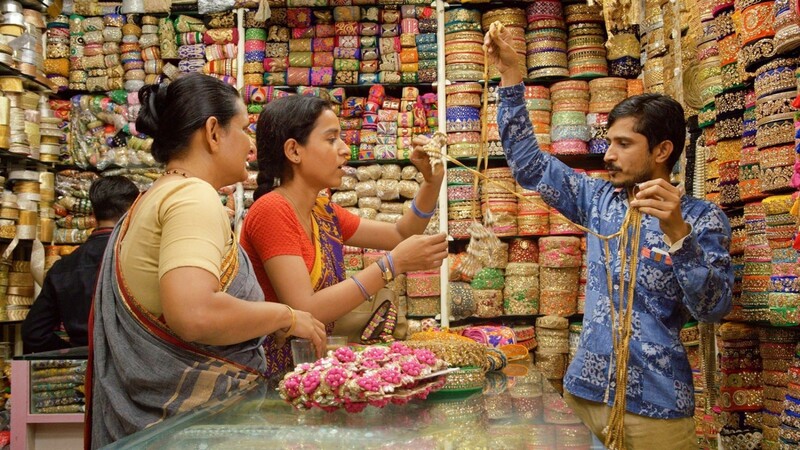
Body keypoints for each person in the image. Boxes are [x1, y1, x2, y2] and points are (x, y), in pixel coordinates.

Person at [485, 27, 732, 449]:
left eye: (622, 143)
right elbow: (529, 166)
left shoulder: (701, 219)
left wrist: (678, 235)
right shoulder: (599, 200)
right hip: (585, 396)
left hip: (657, 407)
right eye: (608, 142)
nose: (608, 155)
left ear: (661, 151)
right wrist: (510, 76)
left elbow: (712, 309)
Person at [88, 73, 326, 448]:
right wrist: (287, 316)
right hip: (187, 433)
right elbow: (194, 314)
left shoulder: (154, 196)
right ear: (214, 132)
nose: (251, 145)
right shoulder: (192, 198)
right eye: (244, 128)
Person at [240, 95, 448, 377]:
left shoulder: (322, 212)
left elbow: (401, 234)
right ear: (294, 151)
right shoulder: (273, 211)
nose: (345, 150)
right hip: (272, 374)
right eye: (331, 139)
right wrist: (391, 266)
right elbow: (304, 308)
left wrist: (432, 182)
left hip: (307, 370)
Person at [21, 176, 139, 353]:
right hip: (133, 366)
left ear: (93, 213)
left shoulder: (63, 268)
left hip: (83, 370)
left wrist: (76, 352)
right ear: (133, 210)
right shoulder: (138, 260)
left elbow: (34, 333)